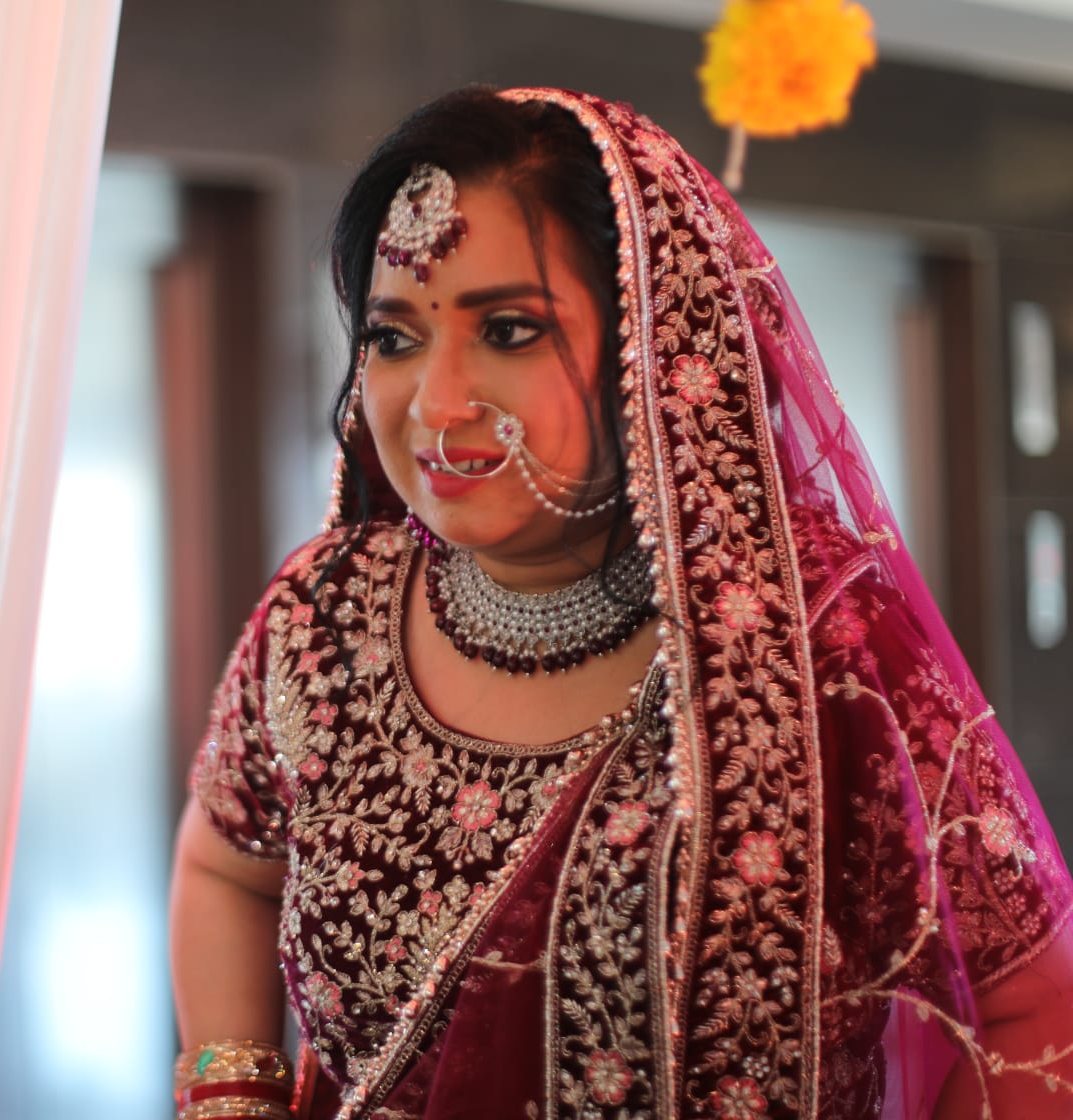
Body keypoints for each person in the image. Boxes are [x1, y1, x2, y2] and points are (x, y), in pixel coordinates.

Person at [168, 86, 1073, 1120]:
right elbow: (227, 864)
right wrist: (231, 1095)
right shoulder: (325, 618)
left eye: (509, 329)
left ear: (658, 342)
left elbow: (1035, 1002)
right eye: (394, 337)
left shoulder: (813, 633)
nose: (436, 404)